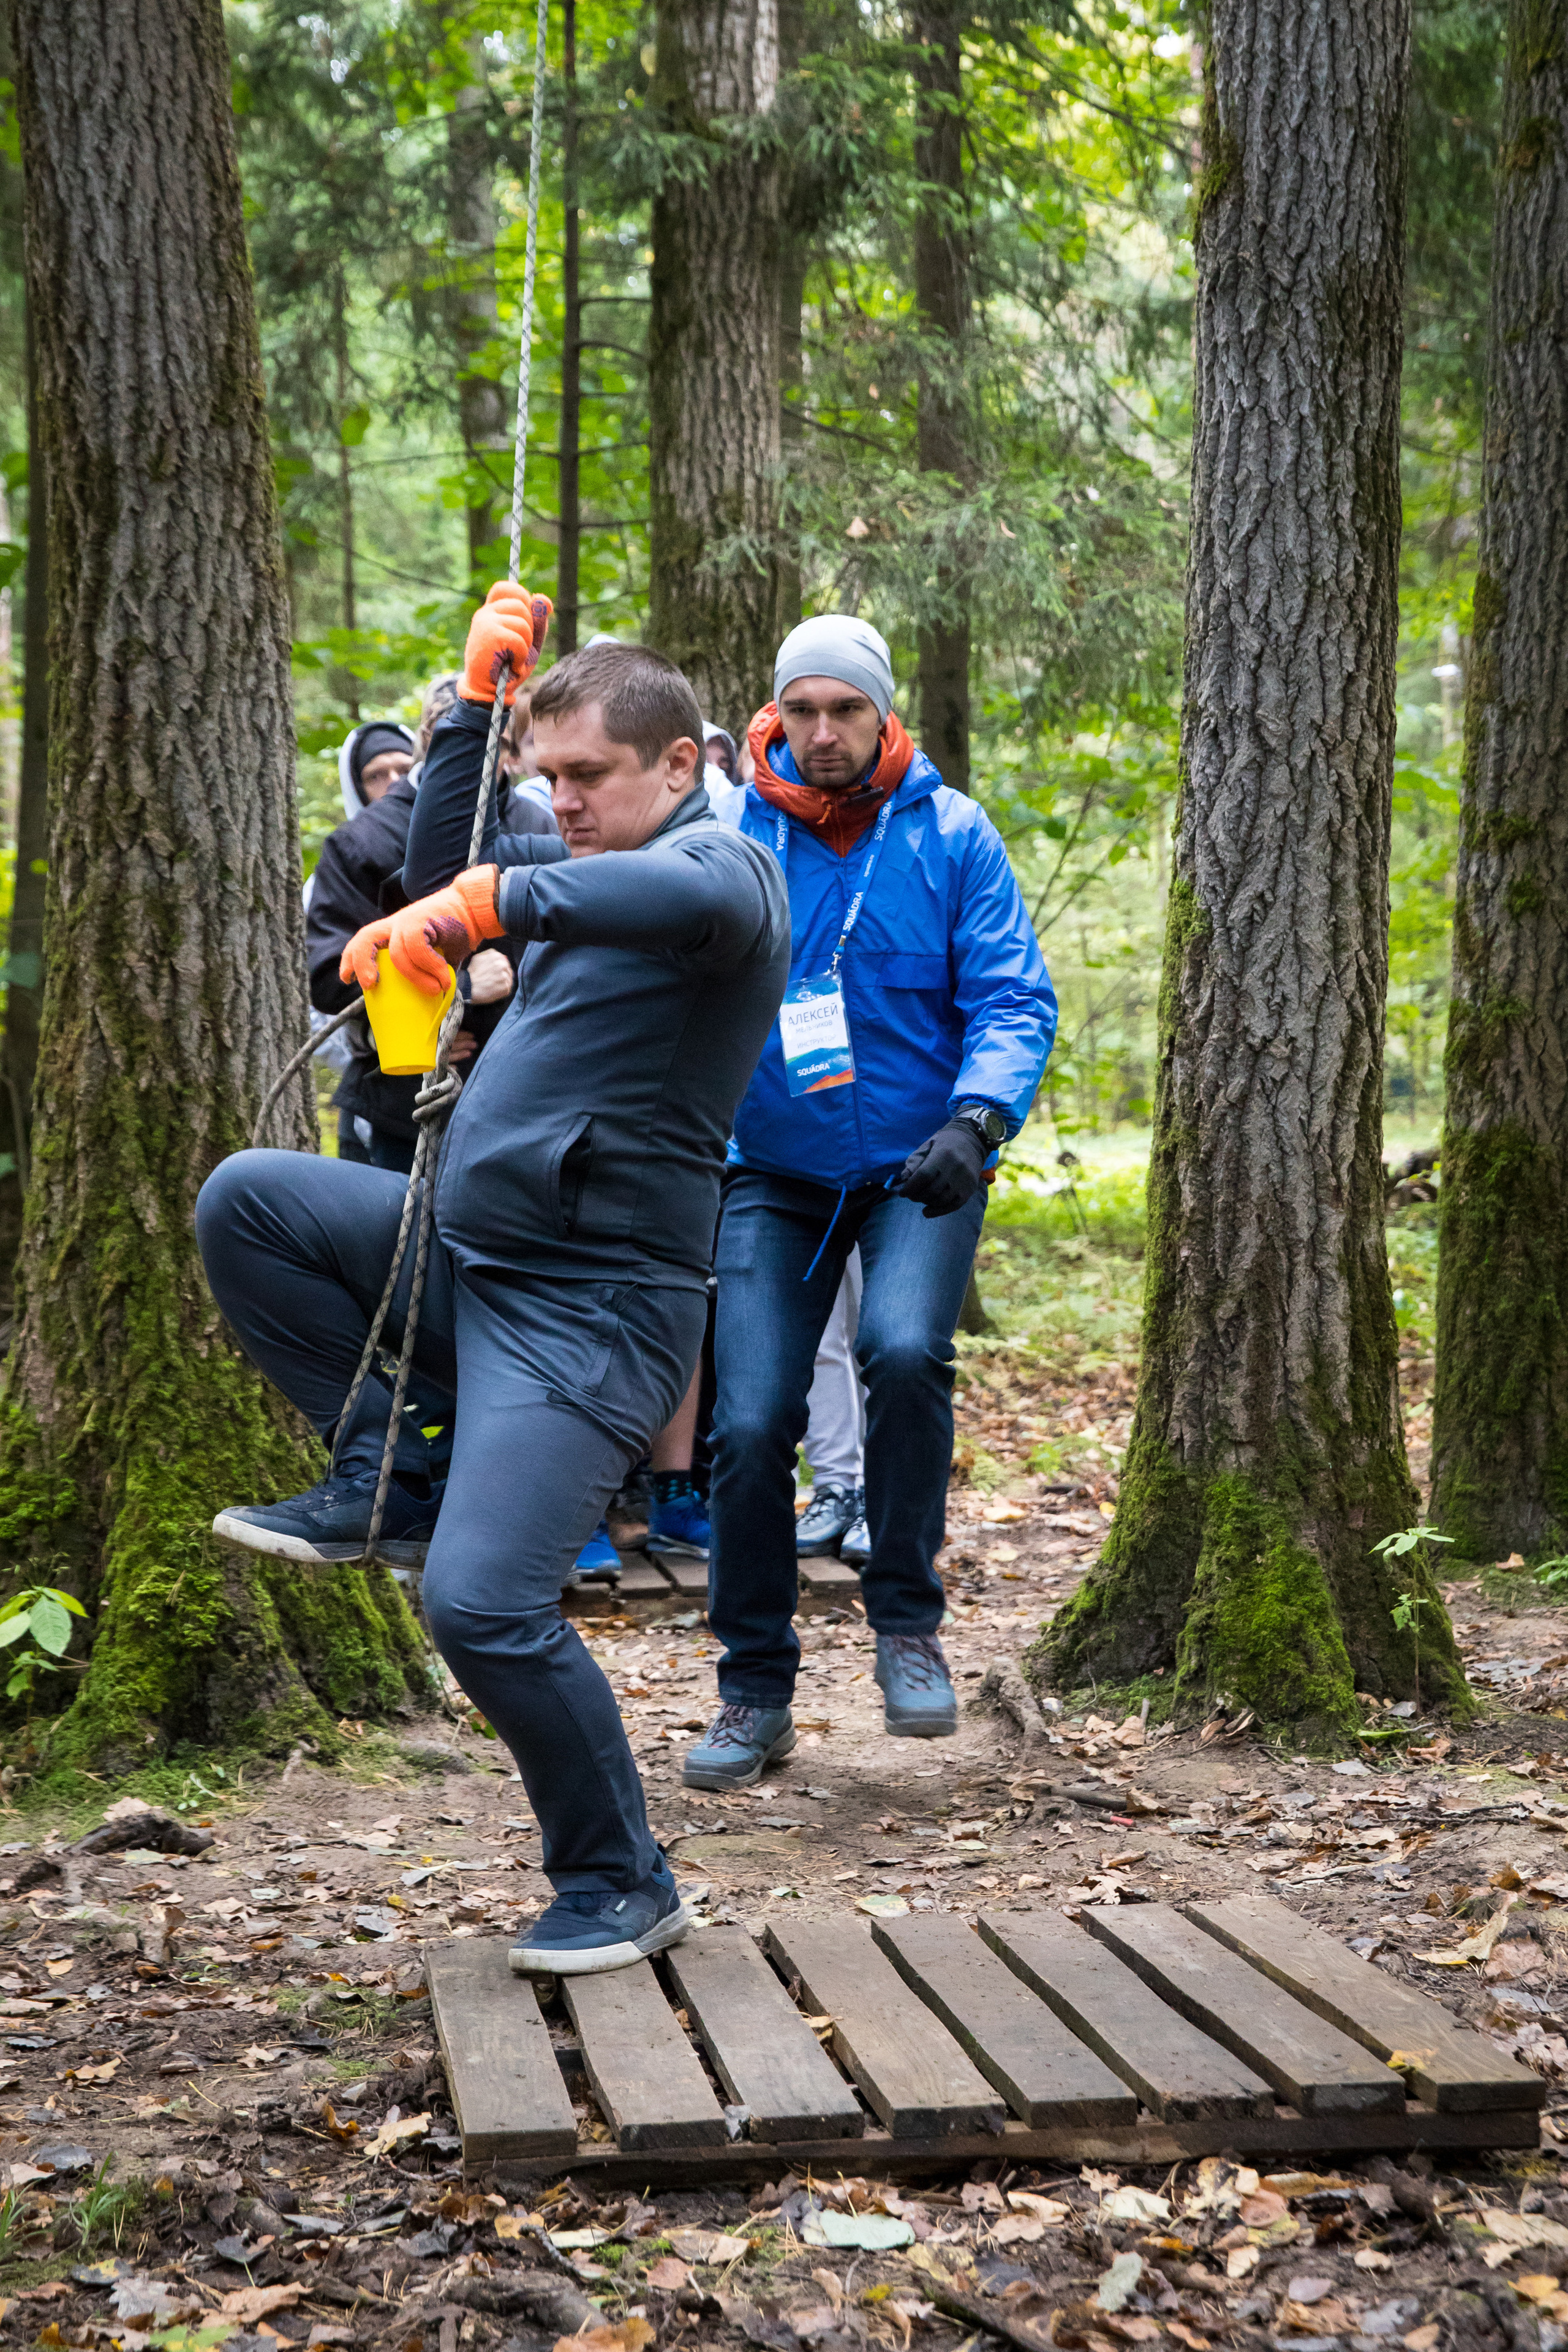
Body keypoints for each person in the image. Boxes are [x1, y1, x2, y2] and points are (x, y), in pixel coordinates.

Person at [197, 588, 790, 1974]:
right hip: (460, 1262)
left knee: (479, 1604)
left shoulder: (726, 878)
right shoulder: (574, 858)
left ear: (678, 767)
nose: (562, 803)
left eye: (588, 776)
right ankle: (390, 1466)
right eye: (551, 777)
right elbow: (449, 843)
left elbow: (555, 884)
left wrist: (486, 905)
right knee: (250, 1202)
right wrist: (474, 707)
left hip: (589, 1317)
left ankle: (621, 1877)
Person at [686, 612, 1056, 1790]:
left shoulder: (951, 835)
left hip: (921, 1171)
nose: (824, 731)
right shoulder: (731, 832)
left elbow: (1012, 996)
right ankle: (754, 1692)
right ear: (775, 715)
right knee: (746, 1426)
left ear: (884, 712)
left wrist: (978, 1120)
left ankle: (907, 1626)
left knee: (902, 1351)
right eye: (803, 709)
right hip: (772, 1173)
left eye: (847, 708)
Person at [306, 693, 546, 1175]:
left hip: (524, 1109)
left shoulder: (543, 826)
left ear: (511, 751)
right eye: (453, 741)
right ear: (427, 743)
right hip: (402, 1112)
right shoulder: (365, 841)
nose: (470, 757)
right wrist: (452, 992)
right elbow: (330, 974)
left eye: (488, 741)